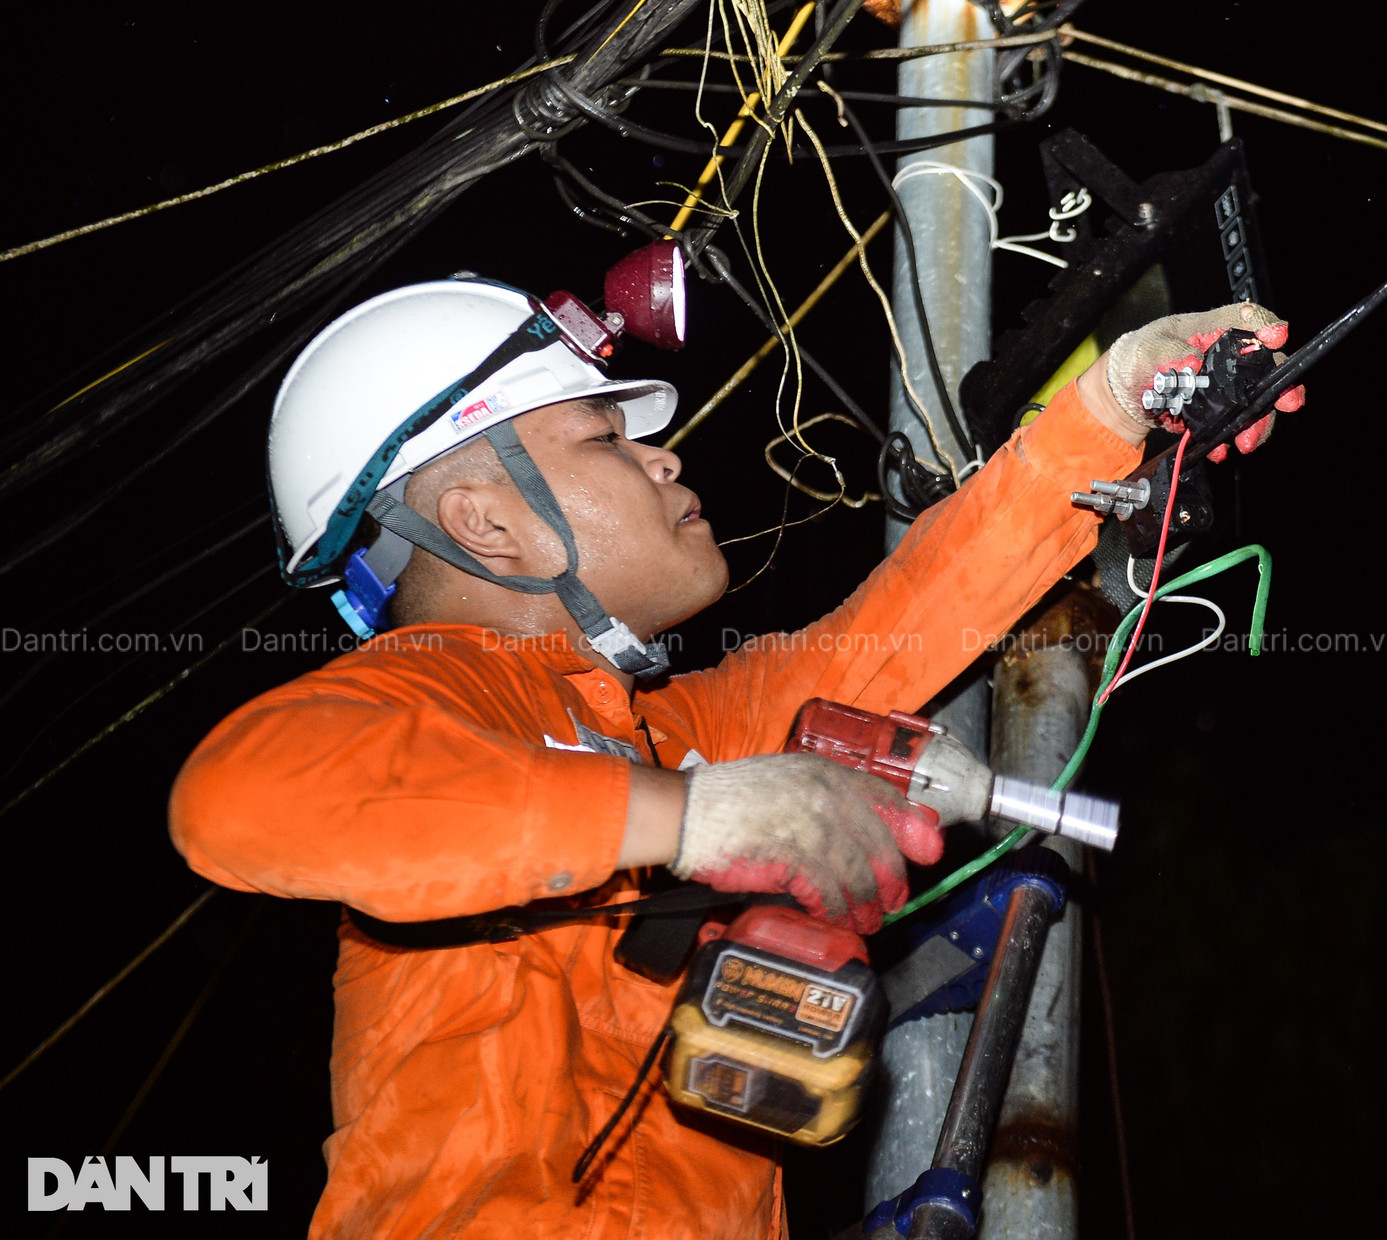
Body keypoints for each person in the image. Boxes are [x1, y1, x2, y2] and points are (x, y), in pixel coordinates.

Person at [168, 275, 1302, 1239]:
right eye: (606, 439)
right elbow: (239, 796)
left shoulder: (674, 728)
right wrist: (684, 816)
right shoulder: (433, 697)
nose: (661, 461)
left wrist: (1113, 403)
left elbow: (913, 613)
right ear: (484, 523)